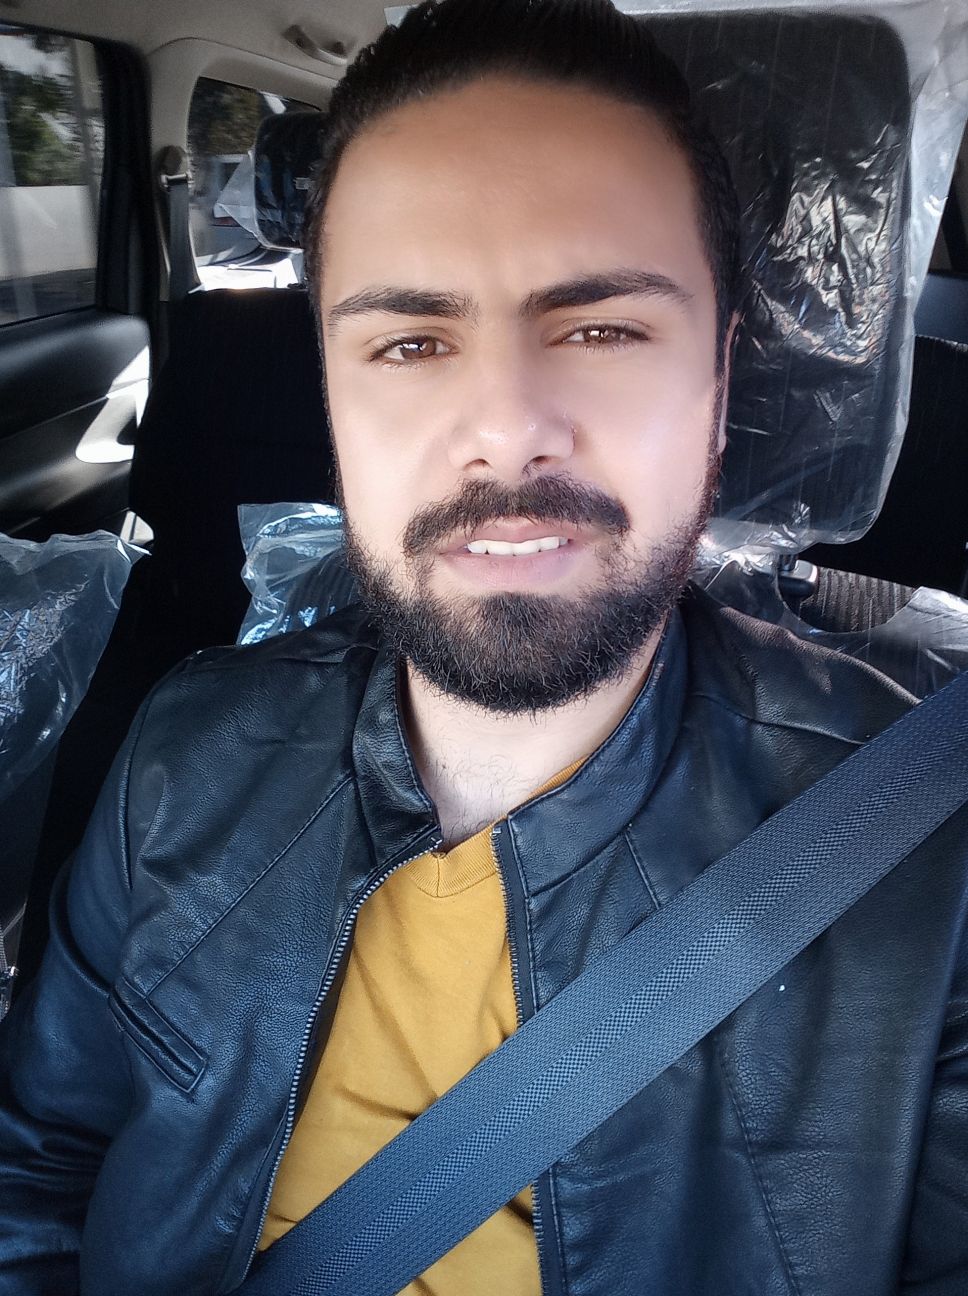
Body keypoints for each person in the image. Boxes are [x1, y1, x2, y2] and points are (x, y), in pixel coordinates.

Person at [1, 1, 966, 1293]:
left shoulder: (932, 860)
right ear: (330, 393)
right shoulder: (185, 749)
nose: (506, 428)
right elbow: (35, 1173)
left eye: (604, 327)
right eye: (410, 342)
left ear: (721, 380)